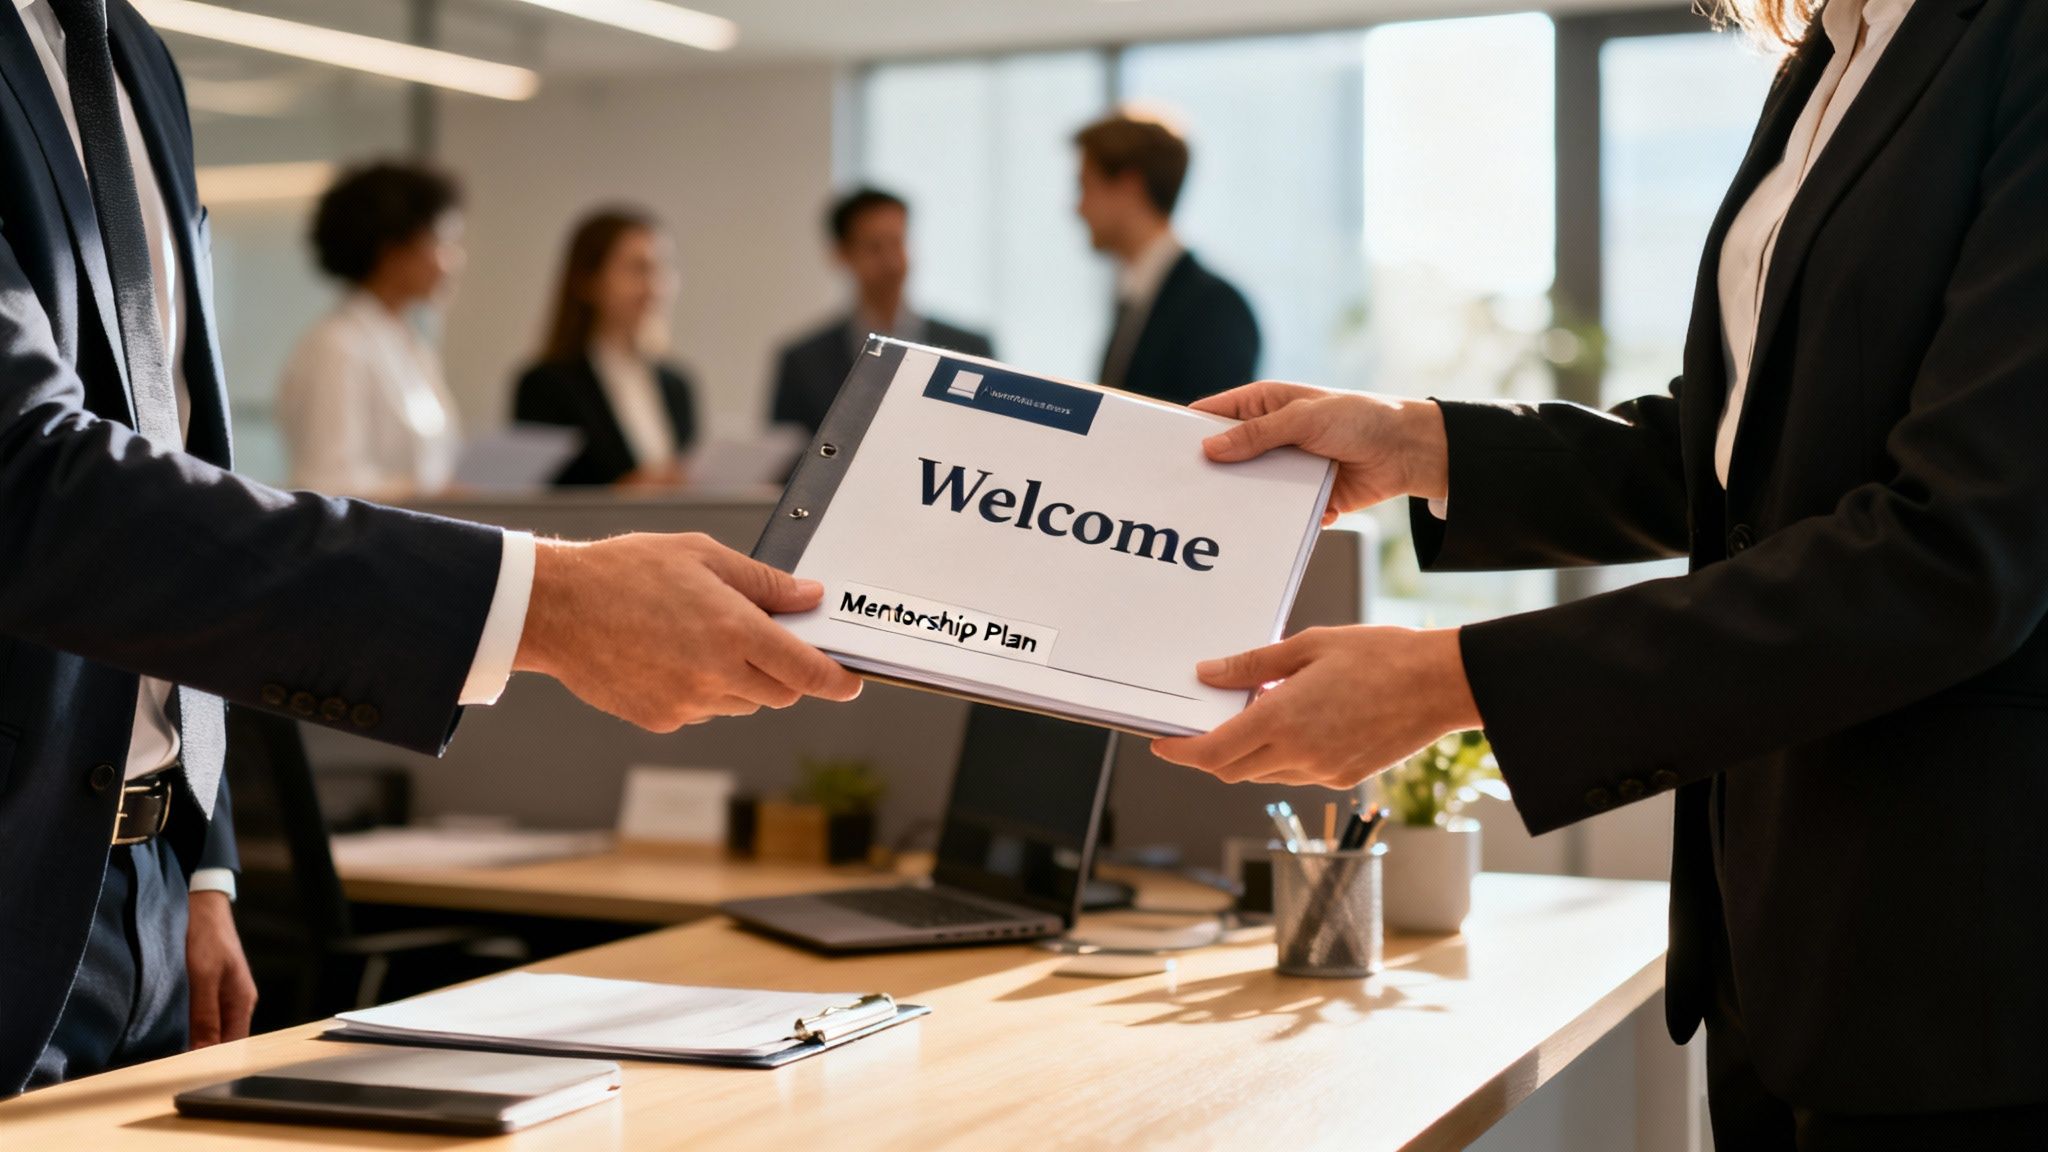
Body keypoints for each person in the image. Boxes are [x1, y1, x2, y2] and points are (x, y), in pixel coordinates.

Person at [1155, 1, 2048, 1146]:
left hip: (1955, 972)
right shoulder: (1833, 55)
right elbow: (1747, 452)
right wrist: (1420, 441)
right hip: (1773, 945)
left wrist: (1453, 680)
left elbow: (1955, 552)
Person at [0, 0, 859, 1096]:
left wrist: (197, 860)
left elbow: (178, 448)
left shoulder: (133, 57)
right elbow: (32, 485)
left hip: (148, 891)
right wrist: (548, 602)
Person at [275, 162, 465, 499]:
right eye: (439, 242)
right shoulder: (338, 346)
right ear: (391, 252)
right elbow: (328, 482)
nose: (452, 261)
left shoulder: (407, 342)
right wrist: (428, 493)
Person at [771, 188, 993, 437]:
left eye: (897, 243)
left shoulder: (970, 348)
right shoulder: (804, 362)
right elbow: (786, 461)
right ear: (842, 255)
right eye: (875, 248)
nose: (892, 262)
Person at [1073, 112, 1258, 407]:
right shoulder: (1136, 296)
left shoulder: (1214, 308)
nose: (1078, 208)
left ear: (1128, 185)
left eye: (1086, 186)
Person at [512, 208, 699, 487]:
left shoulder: (677, 385)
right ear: (589, 281)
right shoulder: (546, 385)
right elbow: (540, 498)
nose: (654, 287)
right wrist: (623, 495)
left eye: (661, 269)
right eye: (637, 269)